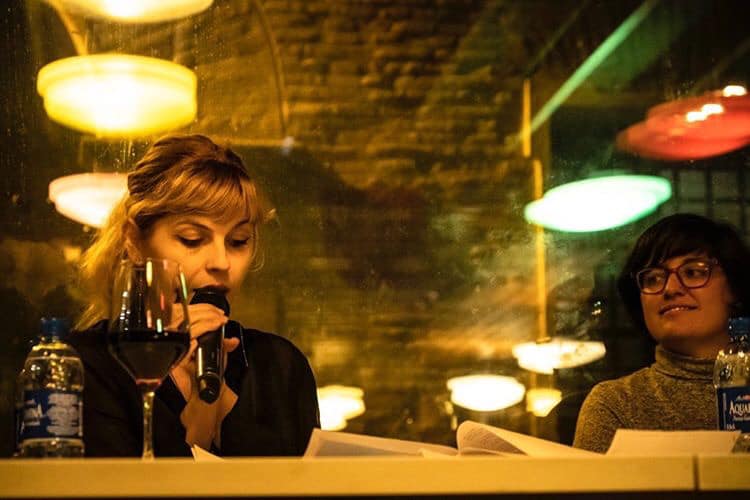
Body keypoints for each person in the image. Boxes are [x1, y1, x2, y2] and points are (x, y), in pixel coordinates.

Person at [71, 134, 319, 457]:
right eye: (192, 239)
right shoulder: (88, 364)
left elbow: (303, 481)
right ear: (135, 241)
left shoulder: (279, 366)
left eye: (238, 241)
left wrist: (217, 399)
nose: (221, 262)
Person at [573, 213, 750, 453]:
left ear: (734, 287)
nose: (670, 288)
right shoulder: (617, 405)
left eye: (693, 272)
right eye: (654, 278)